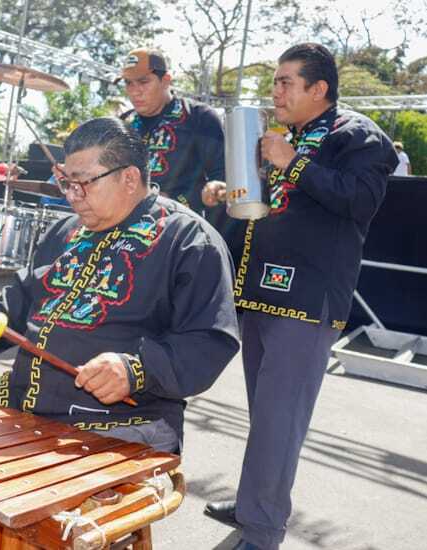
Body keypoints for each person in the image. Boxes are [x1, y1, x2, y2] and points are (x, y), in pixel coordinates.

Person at [0, 117, 240, 549]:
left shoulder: (189, 240)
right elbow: (19, 297)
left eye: (84, 183)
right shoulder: (67, 231)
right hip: (25, 402)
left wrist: (134, 368)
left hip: (121, 422)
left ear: (129, 178)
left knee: (27, 512)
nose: (73, 196)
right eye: (66, 184)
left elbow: (210, 339)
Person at [202, 44, 399, 550]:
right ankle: (253, 506)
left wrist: (293, 163)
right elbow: (272, 204)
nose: (276, 91)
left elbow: (361, 202)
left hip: (306, 300)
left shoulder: (358, 137)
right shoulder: (284, 136)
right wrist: (230, 191)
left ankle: (264, 529)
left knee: (279, 420)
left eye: (287, 82)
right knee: (266, 415)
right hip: (260, 291)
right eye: (275, 81)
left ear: (319, 89)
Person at [114, 47, 245, 265]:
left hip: (179, 240)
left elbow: (223, 177)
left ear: (166, 80)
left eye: (143, 82)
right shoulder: (123, 125)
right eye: (129, 83)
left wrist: (211, 191)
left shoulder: (199, 117)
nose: (135, 91)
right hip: (122, 237)